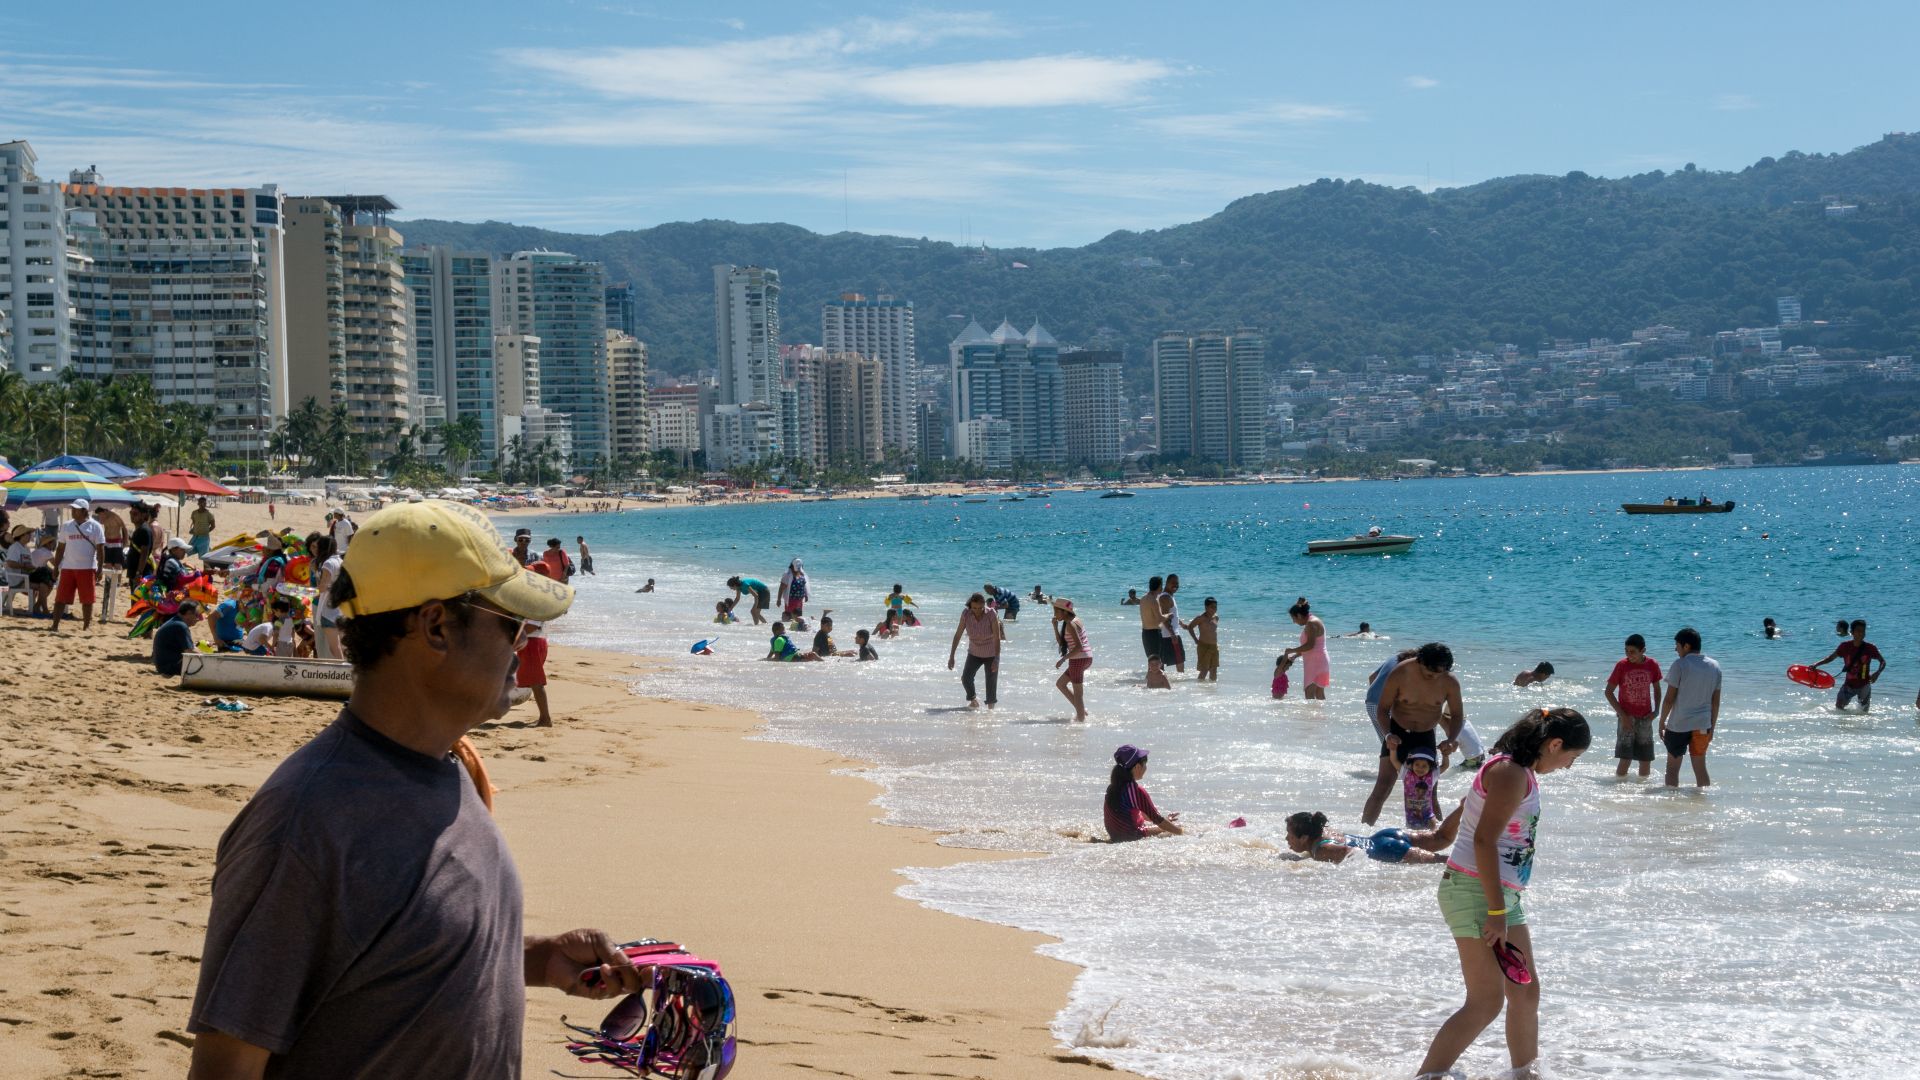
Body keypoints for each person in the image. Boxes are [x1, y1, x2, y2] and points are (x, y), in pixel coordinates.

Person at [186, 499, 644, 1078]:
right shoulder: (304, 824)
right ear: (435, 626)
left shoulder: (451, 767)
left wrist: (539, 957)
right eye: (512, 623)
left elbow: (392, 947)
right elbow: (225, 1067)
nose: (525, 643)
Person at [1415, 708, 1590, 1080]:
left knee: (1526, 994)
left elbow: (1465, 813)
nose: (1568, 767)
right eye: (1570, 758)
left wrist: (1437, 839)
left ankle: (1525, 1075)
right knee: (1485, 1003)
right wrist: (1495, 911)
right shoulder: (1510, 772)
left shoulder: (1511, 769)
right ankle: (1427, 1076)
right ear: (1554, 744)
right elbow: (1483, 840)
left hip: (1500, 897)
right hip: (1476, 892)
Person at [1365, 642, 1465, 825]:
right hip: (1398, 732)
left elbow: (1457, 715)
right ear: (1420, 662)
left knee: (1431, 792)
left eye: (1439, 674)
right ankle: (1361, 834)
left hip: (1426, 736)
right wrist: (1388, 735)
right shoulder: (1400, 673)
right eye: (1430, 673)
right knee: (1383, 786)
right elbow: (1382, 709)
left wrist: (1452, 739)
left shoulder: (1450, 681)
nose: (1434, 678)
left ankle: (1439, 840)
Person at [1285, 805, 1460, 864]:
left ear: (1304, 838)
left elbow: (1351, 852)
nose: (1286, 839)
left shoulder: (1322, 850)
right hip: (1385, 836)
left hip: (1388, 850)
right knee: (1440, 837)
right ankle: (1464, 807)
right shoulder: (1322, 831)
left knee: (1449, 864)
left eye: (1290, 835)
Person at [1658, 627, 1721, 788]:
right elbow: (1715, 702)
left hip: (1678, 724)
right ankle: (1703, 804)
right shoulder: (1714, 666)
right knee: (1700, 769)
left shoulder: (1680, 665)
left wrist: (1661, 721)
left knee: (1672, 770)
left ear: (1686, 646)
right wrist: (1712, 727)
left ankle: (1672, 804)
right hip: (1702, 724)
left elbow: (1669, 699)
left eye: (1677, 645)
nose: (1675, 649)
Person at [1601, 634, 1662, 779]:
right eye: (1626, 651)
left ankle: (1643, 791)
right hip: (1626, 717)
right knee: (1625, 758)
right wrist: (1623, 716)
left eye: (1633, 652)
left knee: (1645, 759)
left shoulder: (1652, 664)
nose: (1629, 655)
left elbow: (1657, 689)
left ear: (1643, 650)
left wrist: (1656, 711)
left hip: (1646, 717)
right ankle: (1619, 790)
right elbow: (1609, 692)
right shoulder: (1622, 665)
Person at [50, 499, 107, 633]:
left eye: (76, 509)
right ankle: (55, 625)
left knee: (87, 600)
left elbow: (100, 549)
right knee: (60, 598)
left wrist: (100, 568)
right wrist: (56, 567)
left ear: (84, 511)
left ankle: (86, 626)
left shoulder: (96, 526)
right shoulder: (66, 526)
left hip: (87, 568)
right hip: (68, 567)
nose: (73, 511)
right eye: (73, 509)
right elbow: (60, 548)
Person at [1105, 744, 1181, 841]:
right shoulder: (1136, 791)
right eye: (1145, 764)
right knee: (1178, 828)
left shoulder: (1112, 788)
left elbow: (1146, 814)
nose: (1146, 767)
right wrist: (1181, 832)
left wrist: (1166, 820)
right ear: (1137, 767)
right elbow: (1157, 819)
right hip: (1133, 836)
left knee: (1169, 826)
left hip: (1115, 836)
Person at [1810, 619, 1884, 712]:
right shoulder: (1844, 646)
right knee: (1838, 708)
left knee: (1864, 713)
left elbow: (1883, 662)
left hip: (1864, 685)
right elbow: (1830, 658)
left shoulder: (1870, 648)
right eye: (1858, 631)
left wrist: (1877, 673)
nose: (1861, 633)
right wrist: (1816, 664)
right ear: (1852, 632)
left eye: (1863, 631)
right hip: (1849, 685)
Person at [948, 592, 1003, 709]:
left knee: (991, 683)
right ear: (970, 606)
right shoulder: (966, 614)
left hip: (991, 653)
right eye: (974, 608)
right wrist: (952, 656)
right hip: (974, 653)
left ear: (984, 605)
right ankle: (973, 700)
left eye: (980, 608)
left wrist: (997, 658)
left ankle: (990, 714)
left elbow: (997, 637)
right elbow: (958, 635)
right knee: (966, 678)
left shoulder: (991, 614)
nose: (977, 610)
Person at [1052, 597, 1092, 722]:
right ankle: (1082, 711)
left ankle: (1080, 722)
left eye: (1056, 611)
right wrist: (1055, 626)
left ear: (1064, 612)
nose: (1054, 614)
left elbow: (1079, 647)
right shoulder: (1074, 620)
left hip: (1078, 659)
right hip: (1086, 658)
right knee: (1060, 684)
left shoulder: (1070, 624)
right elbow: (1062, 643)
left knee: (1078, 694)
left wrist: (1063, 659)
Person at [1282, 597, 1331, 700]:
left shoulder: (1311, 623)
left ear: (1299, 615)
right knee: (1319, 694)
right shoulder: (1311, 620)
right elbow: (1314, 646)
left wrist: (1292, 650)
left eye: (1293, 618)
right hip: (1319, 660)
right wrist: (1295, 655)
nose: (1294, 622)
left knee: (1309, 695)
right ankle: (1320, 715)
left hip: (1316, 662)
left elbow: (1310, 645)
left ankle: (1312, 716)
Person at [309, 535, 343, 660]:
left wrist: (306, 593)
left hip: (328, 611)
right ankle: (343, 672)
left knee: (334, 648)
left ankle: (342, 673)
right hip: (340, 608)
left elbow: (323, 587)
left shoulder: (328, 564)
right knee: (339, 647)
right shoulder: (340, 560)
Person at [152, 600, 205, 676]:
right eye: (196, 615)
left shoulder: (174, 621)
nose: (198, 618)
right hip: (170, 668)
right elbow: (190, 651)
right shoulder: (181, 626)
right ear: (188, 613)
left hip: (162, 666)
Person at [1138, 575, 1170, 689]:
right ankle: (1162, 686)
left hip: (1145, 633)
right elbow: (1160, 619)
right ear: (1159, 587)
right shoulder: (1154, 600)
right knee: (1158, 661)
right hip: (1154, 633)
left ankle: (1150, 685)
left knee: (1151, 660)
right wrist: (1169, 615)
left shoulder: (1143, 599)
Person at [1185, 596, 1220, 682]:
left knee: (1214, 670)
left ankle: (1212, 690)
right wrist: (1195, 640)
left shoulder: (1216, 617)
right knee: (1204, 670)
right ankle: (1199, 688)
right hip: (1203, 646)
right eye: (1212, 607)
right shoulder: (1201, 618)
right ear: (1206, 607)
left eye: (1215, 607)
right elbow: (1190, 627)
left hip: (1214, 646)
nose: (1214, 609)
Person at [1157, 573, 1186, 674]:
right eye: (1173, 583)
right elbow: (1165, 617)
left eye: (1177, 583)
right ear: (1167, 583)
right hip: (1169, 635)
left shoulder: (1168, 596)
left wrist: (1181, 623)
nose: (1175, 586)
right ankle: (1181, 686)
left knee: (1162, 661)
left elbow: (1171, 614)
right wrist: (1173, 634)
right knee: (1180, 661)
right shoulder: (1165, 597)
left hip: (1166, 634)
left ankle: (1160, 682)